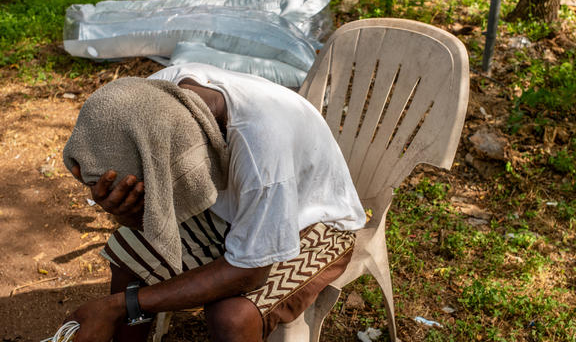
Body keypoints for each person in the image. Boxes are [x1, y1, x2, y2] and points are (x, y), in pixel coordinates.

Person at [60, 62, 365, 342]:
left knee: (232, 317)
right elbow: (151, 216)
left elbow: (249, 272)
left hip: (312, 221)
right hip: (232, 209)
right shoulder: (150, 100)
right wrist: (126, 213)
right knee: (129, 257)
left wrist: (121, 306)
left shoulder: (262, 154)